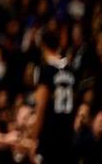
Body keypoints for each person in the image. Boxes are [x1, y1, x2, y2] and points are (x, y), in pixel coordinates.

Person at [31, 28, 76, 164]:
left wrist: (33, 139)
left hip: (50, 134)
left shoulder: (45, 69)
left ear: (43, 46)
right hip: (68, 133)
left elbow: (41, 107)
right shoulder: (70, 69)